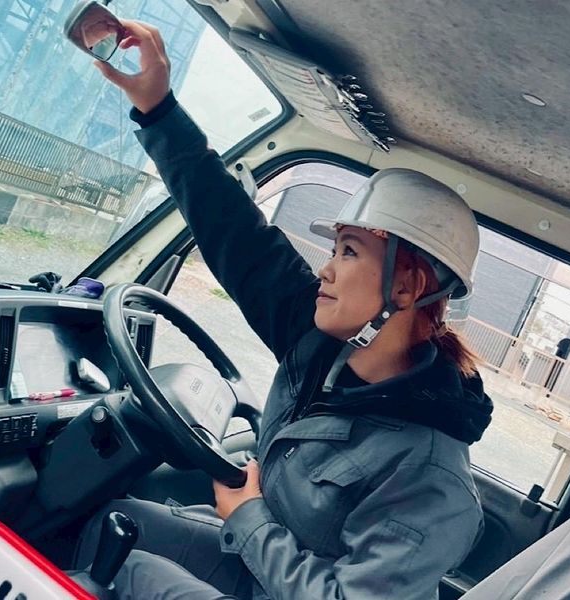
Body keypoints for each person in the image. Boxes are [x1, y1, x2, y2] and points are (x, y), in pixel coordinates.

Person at [74, 20, 493, 600]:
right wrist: (157, 107)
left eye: (350, 252)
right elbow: (235, 233)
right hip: (258, 566)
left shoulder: (431, 478)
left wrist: (249, 519)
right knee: (108, 524)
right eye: (334, 250)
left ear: (406, 287)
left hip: (276, 580)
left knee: (130, 571)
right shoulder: (318, 339)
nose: (326, 270)